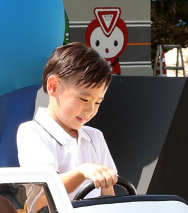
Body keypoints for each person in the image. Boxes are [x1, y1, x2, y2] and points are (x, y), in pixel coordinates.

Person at [17, 42, 117, 203]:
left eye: (98, 102)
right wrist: (81, 172)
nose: (90, 109)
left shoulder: (95, 137)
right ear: (53, 86)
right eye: (84, 99)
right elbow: (47, 189)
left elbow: (108, 192)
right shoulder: (32, 132)